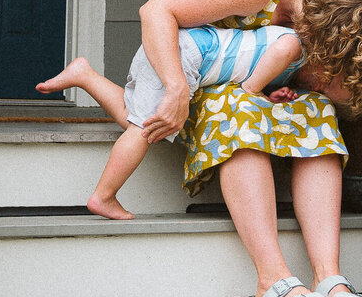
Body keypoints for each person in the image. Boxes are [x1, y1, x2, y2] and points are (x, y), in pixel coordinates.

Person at [134, 0, 362, 297]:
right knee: (234, 105)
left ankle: (328, 275)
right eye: (324, 71)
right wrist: (175, 88)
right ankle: (271, 279)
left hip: (258, 84)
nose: (319, 74)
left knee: (318, 109)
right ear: (314, 36)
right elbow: (155, 11)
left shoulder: (337, 7)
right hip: (194, 75)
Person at [37, 22, 306, 221]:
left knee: (139, 117)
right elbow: (264, 69)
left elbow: (253, 62)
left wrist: (272, 93)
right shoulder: (296, 43)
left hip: (176, 45)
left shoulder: (288, 48)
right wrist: (255, 91)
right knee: (142, 128)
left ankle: (85, 75)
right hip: (185, 54)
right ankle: (103, 195)